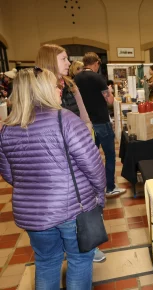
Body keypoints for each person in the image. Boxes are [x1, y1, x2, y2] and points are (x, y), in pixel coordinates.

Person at [0, 68, 106, 290]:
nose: (60, 88)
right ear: (42, 89)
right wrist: (100, 196)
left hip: (32, 215)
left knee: (47, 262)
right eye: (55, 85)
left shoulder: (7, 128)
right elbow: (93, 166)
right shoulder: (65, 119)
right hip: (72, 209)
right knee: (79, 260)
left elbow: (11, 175)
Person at [74, 52, 126, 197]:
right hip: (101, 121)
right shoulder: (97, 78)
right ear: (96, 63)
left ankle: (90, 189)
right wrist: (110, 92)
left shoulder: (75, 78)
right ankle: (110, 187)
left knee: (89, 157)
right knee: (109, 155)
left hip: (85, 124)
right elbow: (110, 100)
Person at [36, 44, 92, 132]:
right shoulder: (35, 89)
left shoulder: (70, 85)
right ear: (50, 61)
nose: (68, 63)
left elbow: (85, 119)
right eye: (63, 59)